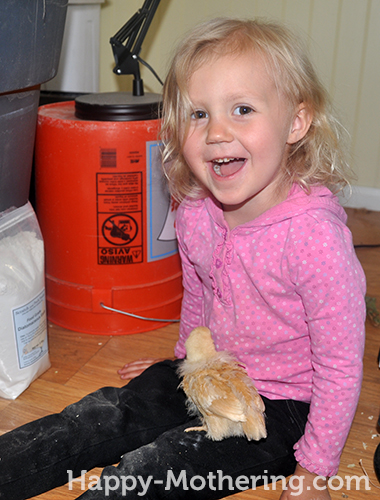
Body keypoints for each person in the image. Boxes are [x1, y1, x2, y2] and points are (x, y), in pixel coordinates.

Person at [0, 18, 366, 500]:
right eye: (198, 114)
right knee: (97, 418)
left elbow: (341, 363)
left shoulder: (315, 239)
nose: (216, 132)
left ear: (296, 123)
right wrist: (184, 362)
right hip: (211, 371)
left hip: (278, 406)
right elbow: (198, 294)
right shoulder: (194, 210)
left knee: (155, 473)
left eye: (242, 109)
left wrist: (315, 470)